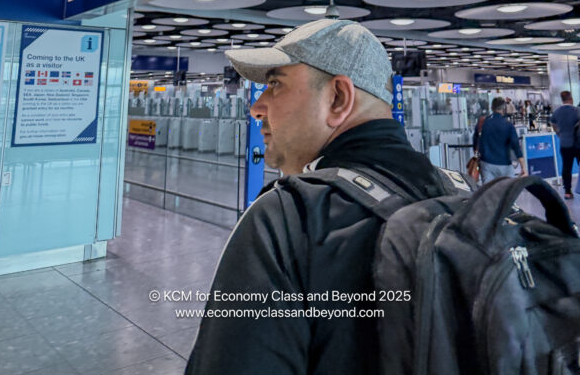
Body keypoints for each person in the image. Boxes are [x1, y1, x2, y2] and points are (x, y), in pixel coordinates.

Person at [185, 19, 448, 375]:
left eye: (275, 84)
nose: (257, 106)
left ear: (338, 98)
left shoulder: (289, 219)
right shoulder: (466, 199)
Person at [472, 95, 527, 183]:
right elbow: (516, 147)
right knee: (508, 191)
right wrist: (523, 167)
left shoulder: (483, 123)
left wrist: (477, 155)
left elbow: (475, 142)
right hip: (505, 164)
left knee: (488, 191)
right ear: (504, 109)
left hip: (486, 163)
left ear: (491, 107)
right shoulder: (508, 125)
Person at [550, 90, 580, 199]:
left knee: (566, 167)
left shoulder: (556, 112)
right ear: (571, 99)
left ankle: (567, 191)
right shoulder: (577, 110)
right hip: (577, 144)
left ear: (562, 100)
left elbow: (553, 124)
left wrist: (559, 133)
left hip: (564, 144)